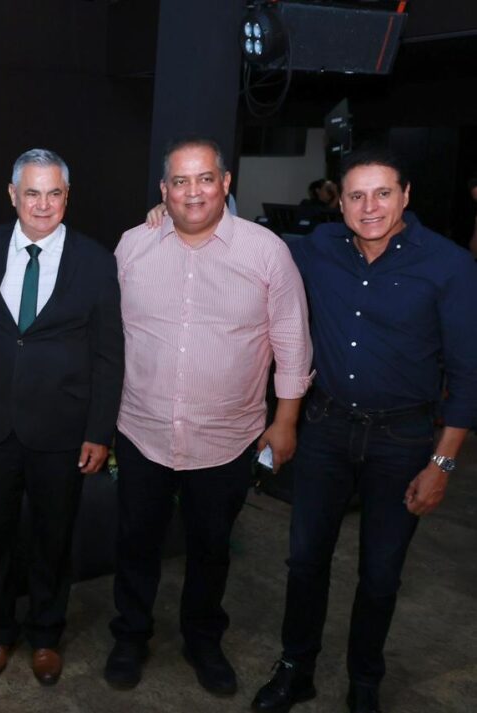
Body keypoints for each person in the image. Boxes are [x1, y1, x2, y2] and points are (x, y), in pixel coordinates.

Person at [252, 148, 477, 713]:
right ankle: (296, 668)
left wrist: (442, 463)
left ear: (406, 195)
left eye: (382, 193)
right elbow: (251, 250)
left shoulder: (449, 265)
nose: (369, 206)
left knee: (380, 573)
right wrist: (169, 214)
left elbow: (469, 375)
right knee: (306, 561)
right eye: (356, 195)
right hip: (326, 428)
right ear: (340, 202)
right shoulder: (319, 248)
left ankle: (365, 681)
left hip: (402, 441)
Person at [110, 137, 313, 697]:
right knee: (136, 544)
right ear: (164, 191)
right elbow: (107, 334)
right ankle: (131, 636)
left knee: (211, 549)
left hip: (227, 437)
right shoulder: (132, 246)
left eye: (204, 179)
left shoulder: (266, 252)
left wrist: (286, 421)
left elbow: (292, 340)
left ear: (225, 183)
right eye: (180, 181)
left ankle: (202, 640)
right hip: (142, 430)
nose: (193, 192)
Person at [0, 148, 124, 686]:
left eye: (54, 193)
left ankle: (46, 634)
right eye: (31, 192)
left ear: (67, 197)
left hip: (62, 428)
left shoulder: (95, 260)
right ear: (12, 195)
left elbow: (109, 353)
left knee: (54, 535)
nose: (42, 204)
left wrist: (99, 431)